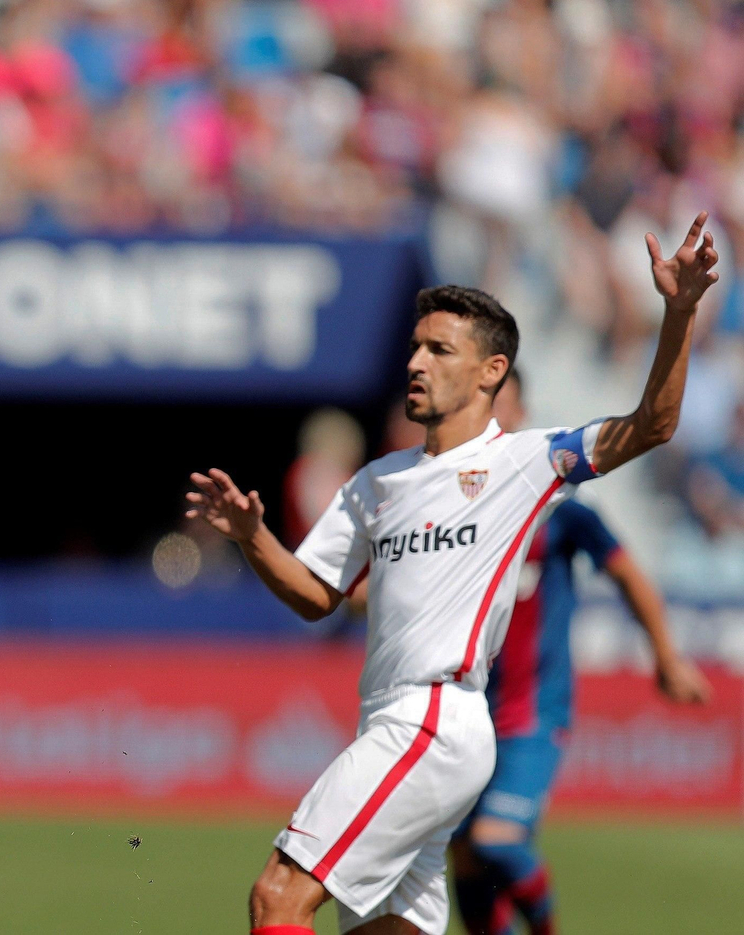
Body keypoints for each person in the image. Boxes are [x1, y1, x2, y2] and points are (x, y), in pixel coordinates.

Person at [184, 213, 719, 935]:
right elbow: (315, 596)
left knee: (278, 898)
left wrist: (680, 311)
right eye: (415, 347)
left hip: (432, 720)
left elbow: (652, 424)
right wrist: (254, 539)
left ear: (491, 371)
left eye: (440, 349)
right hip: (395, 721)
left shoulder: (526, 461)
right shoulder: (377, 481)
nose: (416, 362)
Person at [450, 369, 712, 935]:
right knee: (465, 859)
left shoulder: (559, 507)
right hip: (463, 710)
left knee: (495, 840)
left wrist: (665, 656)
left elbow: (626, 573)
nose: (493, 417)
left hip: (532, 710)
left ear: (521, 413)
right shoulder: (452, 502)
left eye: (503, 405)